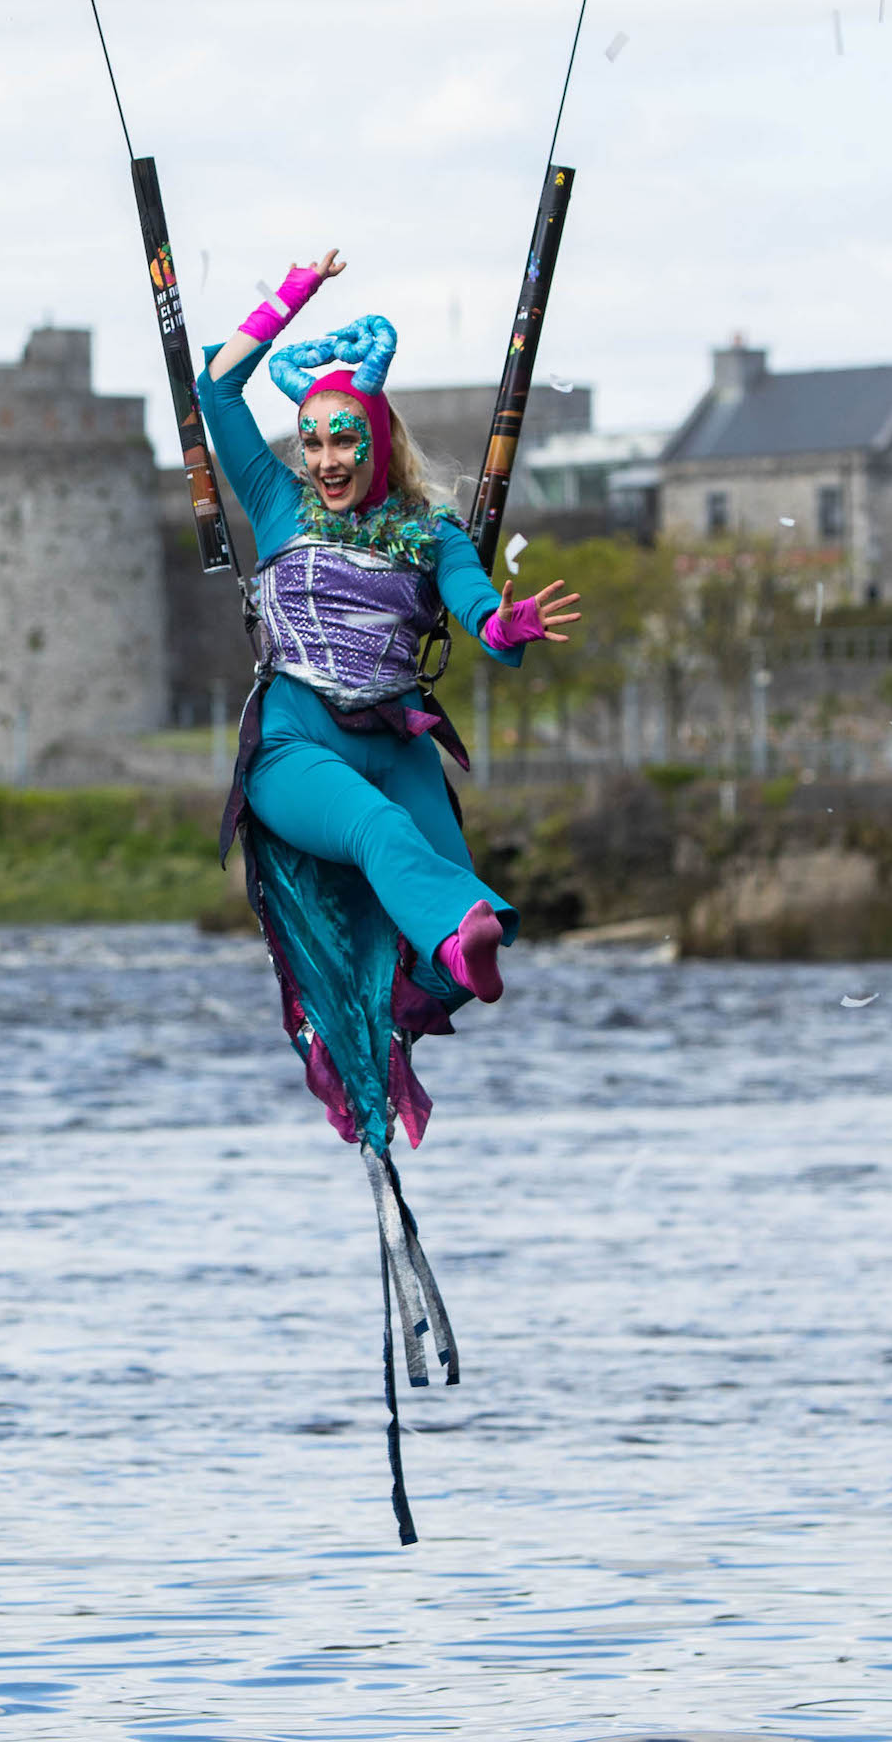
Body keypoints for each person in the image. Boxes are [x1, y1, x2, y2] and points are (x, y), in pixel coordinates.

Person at [205, 253, 582, 1155]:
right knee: (379, 833)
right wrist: (295, 292)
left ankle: (455, 948)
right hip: (296, 742)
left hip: (396, 734)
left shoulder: (430, 530)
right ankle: (445, 950)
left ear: (377, 439)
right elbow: (215, 388)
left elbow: (477, 614)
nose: (327, 459)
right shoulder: (277, 502)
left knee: (444, 884)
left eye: (344, 439)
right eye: (314, 442)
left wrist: (508, 623)